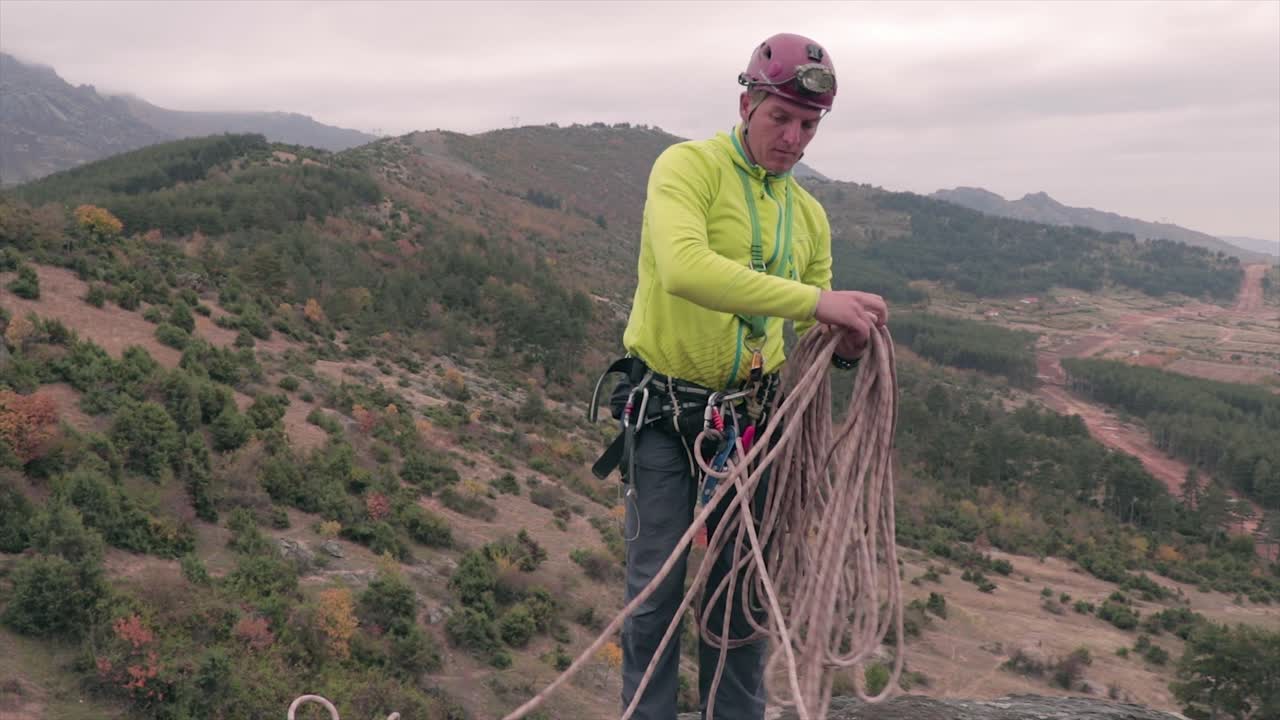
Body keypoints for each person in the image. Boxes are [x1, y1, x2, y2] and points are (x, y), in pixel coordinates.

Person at [591, 33, 889, 720]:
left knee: (742, 602)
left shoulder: (808, 216)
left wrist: (844, 341)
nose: (792, 137)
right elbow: (685, 269)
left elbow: (814, 339)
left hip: (754, 424)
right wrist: (817, 302)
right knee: (653, 596)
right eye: (779, 117)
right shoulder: (687, 169)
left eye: (807, 124)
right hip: (664, 415)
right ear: (747, 103)